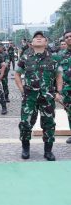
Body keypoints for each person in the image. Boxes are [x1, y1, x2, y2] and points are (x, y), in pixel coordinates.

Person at [15, 31, 63, 161]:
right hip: (29, 97)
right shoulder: (25, 57)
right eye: (36, 38)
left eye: (42, 38)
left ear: (46, 42)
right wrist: (21, 90)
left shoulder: (54, 58)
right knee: (25, 123)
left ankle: (48, 151)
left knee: (48, 123)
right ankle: (25, 149)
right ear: (31, 43)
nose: (39, 39)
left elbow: (59, 75)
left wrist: (58, 92)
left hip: (47, 97)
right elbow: (17, 74)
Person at [59, 30, 71, 144]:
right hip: (68, 90)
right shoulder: (61, 56)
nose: (69, 38)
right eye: (67, 37)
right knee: (70, 112)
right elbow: (57, 74)